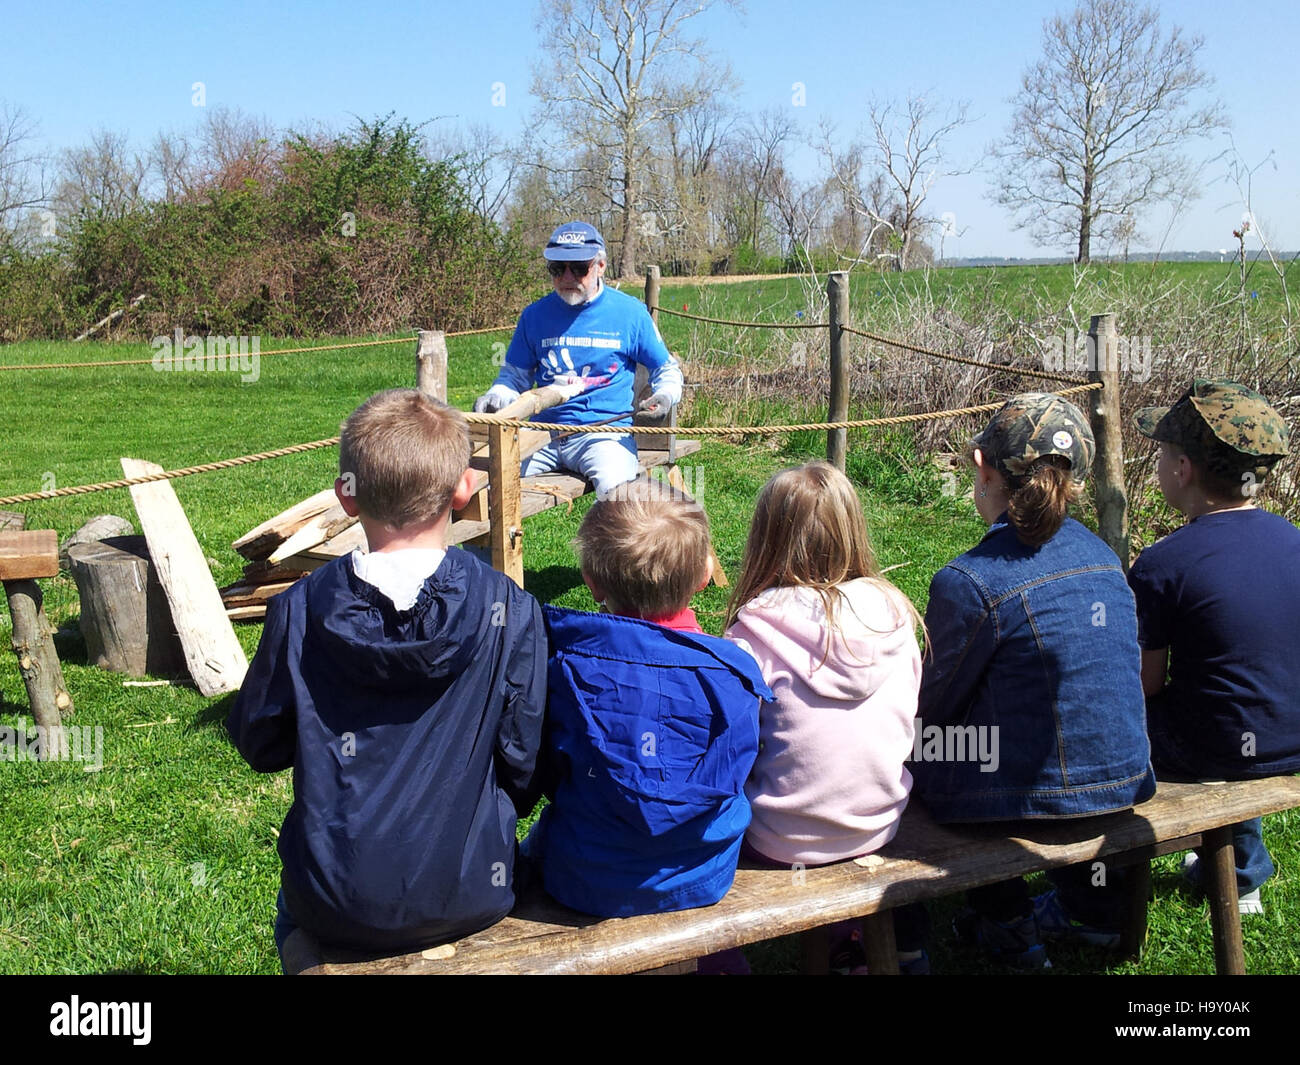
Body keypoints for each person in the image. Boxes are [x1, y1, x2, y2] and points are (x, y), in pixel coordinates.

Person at [226, 389, 547, 967]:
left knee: (294, 908)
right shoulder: (509, 607)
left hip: (336, 899)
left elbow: (259, 743)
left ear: (345, 498)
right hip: (474, 885)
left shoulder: (299, 609)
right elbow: (523, 759)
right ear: (463, 490)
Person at [910, 393, 1156, 969]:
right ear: (1072, 480)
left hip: (1032, 797)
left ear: (982, 468)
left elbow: (934, 709)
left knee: (914, 756)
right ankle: (1091, 911)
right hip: (1125, 777)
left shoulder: (968, 581)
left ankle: (1006, 926)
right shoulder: (1105, 557)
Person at [521, 477, 771, 925]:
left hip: (583, 878)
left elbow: (541, 775)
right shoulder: (736, 675)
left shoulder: (561, 666)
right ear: (703, 574)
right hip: (703, 874)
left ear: (591, 582)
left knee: (533, 844)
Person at [723, 461, 926, 973]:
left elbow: (739, 750)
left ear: (766, 536)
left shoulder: (750, 635)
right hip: (878, 824)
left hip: (779, 839)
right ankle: (854, 944)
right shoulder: (897, 614)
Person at [1128, 378, 1299, 915]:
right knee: (1232, 701)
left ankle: (1096, 903)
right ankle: (1242, 874)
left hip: (1216, 746)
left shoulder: (1163, 563)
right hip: (1292, 736)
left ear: (1182, 470)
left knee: (1106, 724)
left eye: (1163, 455)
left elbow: (1145, 684)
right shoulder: (1293, 541)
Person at [473, 221, 683, 498]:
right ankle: (463, 544)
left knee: (619, 501)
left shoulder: (630, 313)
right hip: (541, 433)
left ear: (601, 266)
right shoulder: (534, 316)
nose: (568, 277)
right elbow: (514, 376)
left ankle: (606, 543)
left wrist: (666, 395)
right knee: (476, 482)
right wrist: (498, 393)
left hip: (604, 434)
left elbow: (667, 369)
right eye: (558, 269)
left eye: (579, 268)